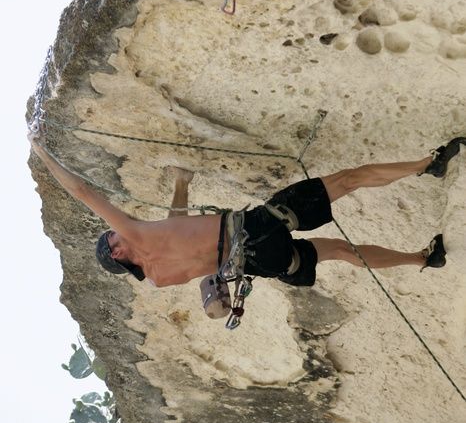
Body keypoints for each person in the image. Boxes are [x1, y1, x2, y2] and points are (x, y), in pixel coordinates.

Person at [28, 132, 466, 288]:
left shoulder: (158, 277)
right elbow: (84, 191)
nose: (115, 233)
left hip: (261, 262)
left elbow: (179, 234)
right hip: (256, 227)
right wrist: (42, 152)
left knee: (341, 252)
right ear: (119, 253)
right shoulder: (137, 236)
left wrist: (182, 184)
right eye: (111, 238)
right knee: (346, 180)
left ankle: (424, 258)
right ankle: (428, 164)